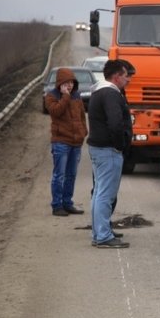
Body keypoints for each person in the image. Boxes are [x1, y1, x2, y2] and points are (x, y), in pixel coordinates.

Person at [86, 60, 134, 248]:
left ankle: (99, 232)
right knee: (106, 194)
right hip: (108, 150)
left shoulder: (99, 91)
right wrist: (120, 144)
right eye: (125, 75)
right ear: (116, 76)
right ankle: (103, 236)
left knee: (99, 192)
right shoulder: (111, 93)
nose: (128, 79)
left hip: (99, 148)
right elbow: (115, 123)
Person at [45, 68, 88, 216]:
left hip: (76, 142)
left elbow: (82, 115)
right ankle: (57, 206)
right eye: (66, 83)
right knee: (59, 175)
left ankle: (67, 203)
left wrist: (84, 131)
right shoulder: (51, 96)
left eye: (71, 82)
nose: (69, 85)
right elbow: (55, 112)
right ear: (60, 83)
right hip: (61, 141)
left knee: (71, 174)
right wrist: (65, 97)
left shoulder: (77, 95)